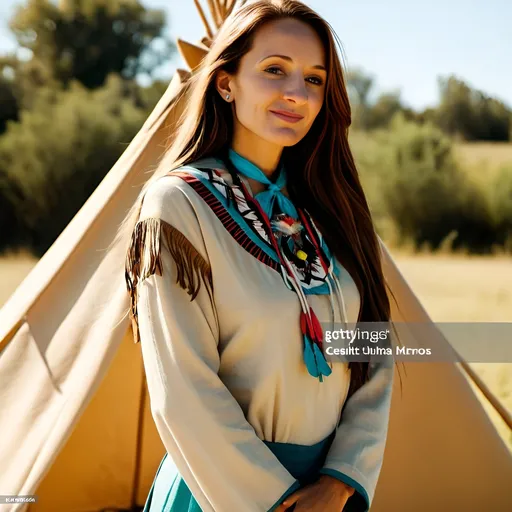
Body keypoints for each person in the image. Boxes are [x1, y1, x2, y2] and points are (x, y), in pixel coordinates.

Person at [123, 0, 395, 510]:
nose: (296, 93)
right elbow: (182, 389)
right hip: (224, 490)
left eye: (315, 79)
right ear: (226, 82)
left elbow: (375, 350)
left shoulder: (330, 210)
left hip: (326, 492)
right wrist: (278, 502)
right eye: (275, 70)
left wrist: (340, 479)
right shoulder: (178, 206)